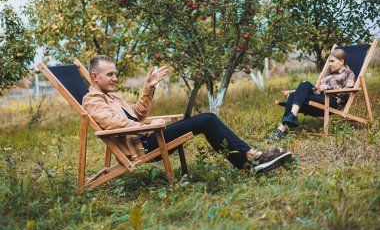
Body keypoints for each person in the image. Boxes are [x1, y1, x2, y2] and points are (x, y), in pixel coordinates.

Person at [83, 55, 292, 174]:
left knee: (207, 119)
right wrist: (153, 126)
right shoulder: (92, 100)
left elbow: (136, 114)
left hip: (150, 135)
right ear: (94, 76)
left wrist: (148, 87)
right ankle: (250, 159)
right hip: (145, 143)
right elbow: (116, 124)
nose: (114, 78)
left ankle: (249, 159)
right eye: (110, 74)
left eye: (115, 74)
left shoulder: (112, 96)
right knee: (207, 119)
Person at [272, 49, 355, 139]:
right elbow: (318, 90)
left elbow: (349, 90)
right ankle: (287, 122)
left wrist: (329, 87)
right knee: (304, 85)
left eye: (332, 61)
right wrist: (300, 91)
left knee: (294, 96)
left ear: (342, 61)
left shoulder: (348, 74)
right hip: (321, 97)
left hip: (332, 102)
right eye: (329, 61)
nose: (329, 64)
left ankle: (283, 128)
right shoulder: (330, 74)